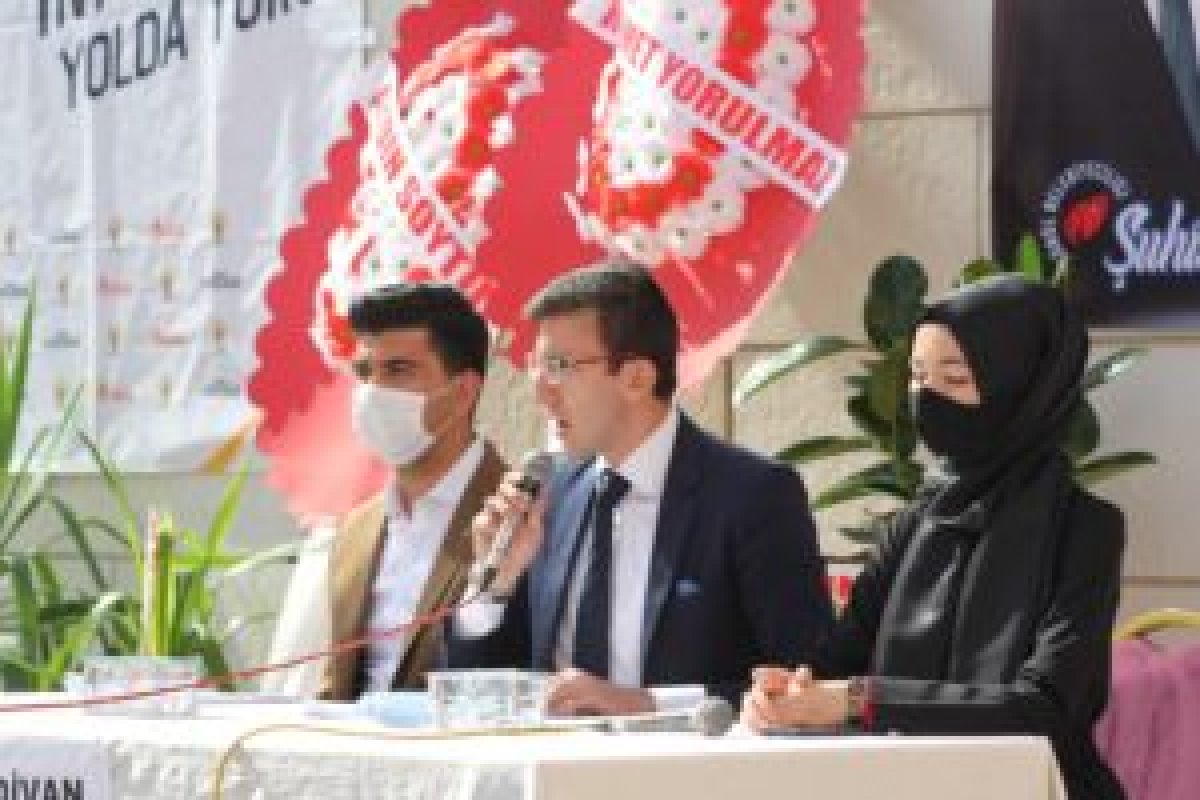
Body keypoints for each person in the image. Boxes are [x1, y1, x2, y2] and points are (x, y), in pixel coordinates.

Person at [741, 276, 1127, 799]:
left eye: (955, 379)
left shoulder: (1085, 530)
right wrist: (786, 693)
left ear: (1021, 388)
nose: (929, 400)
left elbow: (1048, 704)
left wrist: (859, 701)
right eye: (918, 378)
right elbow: (837, 664)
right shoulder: (914, 522)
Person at [446, 258, 833, 716]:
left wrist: (648, 704)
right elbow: (476, 688)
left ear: (637, 378)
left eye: (559, 366)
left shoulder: (753, 495)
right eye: (536, 367)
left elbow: (808, 684)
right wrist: (493, 586)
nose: (541, 391)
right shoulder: (551, 494)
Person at [318, 283, 507, 700]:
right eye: (364, 372)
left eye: (398, 370)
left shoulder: (523, 513)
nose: (373, 391)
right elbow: (335, 687)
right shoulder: (355, 529)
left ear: (463, 392)